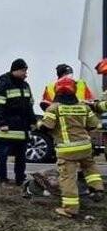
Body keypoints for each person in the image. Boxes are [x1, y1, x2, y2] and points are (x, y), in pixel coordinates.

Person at [39, 76, 105, 218]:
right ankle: (97, 189)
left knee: (68, 178)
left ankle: (70, 209)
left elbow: (46, 127)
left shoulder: (54, 108)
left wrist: (39, 124)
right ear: (73, 90)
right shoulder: (83, 106)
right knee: (90, 168)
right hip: (85, 147)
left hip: (67, 149)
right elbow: (95, 125)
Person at [0, 59, 35, 188]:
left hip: (21, 128)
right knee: (3, 154)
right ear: (14, 70)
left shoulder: (25, 86)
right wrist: (1, 123)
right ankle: (3, 179)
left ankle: (20, 179)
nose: (25, 74)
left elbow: (29, 106)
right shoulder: (3, 84)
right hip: (6, 127)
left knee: (21, 156)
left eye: (26, 71)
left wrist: (32, 121)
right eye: (23, 70)